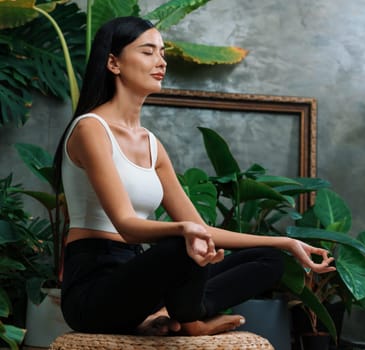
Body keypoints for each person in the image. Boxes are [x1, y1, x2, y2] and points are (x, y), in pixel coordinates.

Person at [53, 16, 335, 337]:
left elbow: (200, 227)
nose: (160, 61)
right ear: (114, 63)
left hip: (140, 277)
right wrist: (184, 231)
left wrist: (285, 242)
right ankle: (192, 321)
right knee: (180, 246)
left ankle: (166, 313)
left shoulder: (151, 144)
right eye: (148, 52)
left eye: (162, 53)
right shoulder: (91, 129)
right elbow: (127, 227)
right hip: (94, 289)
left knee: (268, 259)